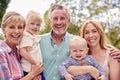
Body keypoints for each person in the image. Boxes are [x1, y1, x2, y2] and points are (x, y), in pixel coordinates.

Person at [0, 11, 43, 80]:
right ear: (3, 29)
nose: (16, 31)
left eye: (20, 27)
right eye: (12, 27)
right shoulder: (1, 52)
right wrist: (32, 74)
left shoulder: (18, 51)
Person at [40, 4, 74, 80]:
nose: (58, 22)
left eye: (62, 18)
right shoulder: (39, 40)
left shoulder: (76, 41)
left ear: (68, 20)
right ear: (50, 21)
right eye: (55, 18)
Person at [19, 10, 44, 80]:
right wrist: (36, 64)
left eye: (38, 24)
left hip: (35, 68)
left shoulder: (33, 36)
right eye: (32, 23)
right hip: (29, 69)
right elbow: (22, 51)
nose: (35, 26)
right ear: (26, 23)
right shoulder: (27, 36)